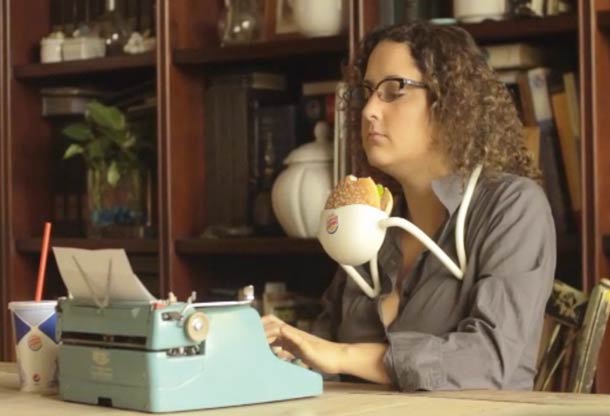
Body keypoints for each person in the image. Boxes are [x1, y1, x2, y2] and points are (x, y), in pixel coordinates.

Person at [262, 20, 556, 391]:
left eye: (393, 90)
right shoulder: (371, 219)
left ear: (450, 100)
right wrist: (277, 350)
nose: (368, 110)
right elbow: (322, 352)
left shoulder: (514, 207)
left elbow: (487, 360)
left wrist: (343, 355)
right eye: (367, 92)